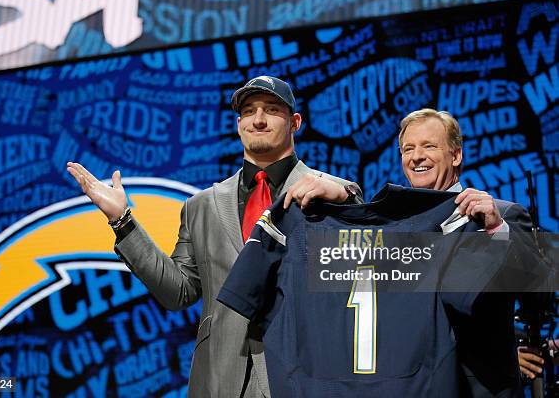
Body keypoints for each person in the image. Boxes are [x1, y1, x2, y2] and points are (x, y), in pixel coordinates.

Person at [67, 75, 362, 398]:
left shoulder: (331, 191)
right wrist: (122, 221)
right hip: (222, 377)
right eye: (249, 111)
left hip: (306, 373)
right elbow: (177, 292)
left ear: (295, 122)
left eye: (271, 109)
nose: (259, 120)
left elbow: (366, 264)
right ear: (239, 125)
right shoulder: (202, 206)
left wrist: (346, 198)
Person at [287, 108, 536, 396]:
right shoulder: (397, 230)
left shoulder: (505, 214)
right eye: (408, 149)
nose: (416, 156)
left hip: (479, 388)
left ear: (456, 155)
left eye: (429, 146)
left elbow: (532, 284)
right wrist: (345, 197)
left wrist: (495, 230)